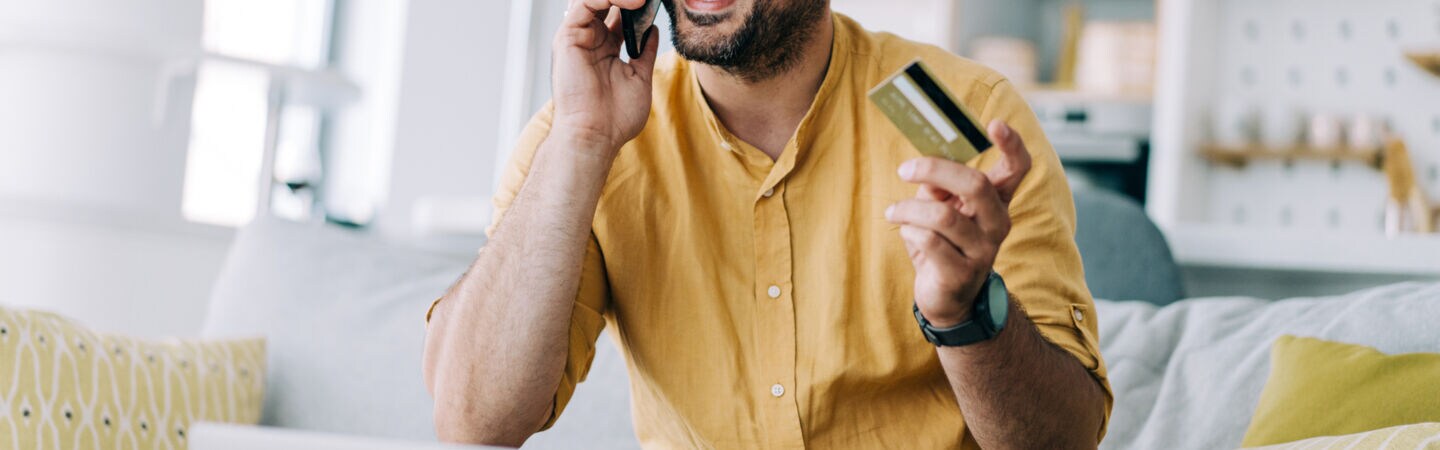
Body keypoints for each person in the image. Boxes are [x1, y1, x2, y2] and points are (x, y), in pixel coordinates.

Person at [423, 0, 1111, 448]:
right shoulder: (585, 127)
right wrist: (579, 140)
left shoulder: (967, 113)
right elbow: (473, 421)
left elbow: (1065, 440)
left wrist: (967, 315)